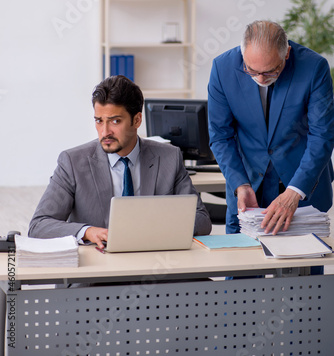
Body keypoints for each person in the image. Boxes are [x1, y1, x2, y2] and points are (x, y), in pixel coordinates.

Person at [29, 75, 212, 248]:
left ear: (137, 120)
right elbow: (39, 225)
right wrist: (87, 232)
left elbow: (202, 220)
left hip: (154, 264)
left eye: (115, 121)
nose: (105, 131)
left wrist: (154, 227)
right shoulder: (72, 162)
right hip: (96, 271)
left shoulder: (169, 158)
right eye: (99, 121)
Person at [208, 20, 334, 236]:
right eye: (251, 70)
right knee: (243, 267)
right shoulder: (222, 68)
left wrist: (295, 192)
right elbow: (220, 136)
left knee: (302, 267)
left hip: (301, 187)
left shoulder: (314, 68)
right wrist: (240, 185)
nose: (259, 78)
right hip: (247, 187)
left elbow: (322, 135)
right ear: (242, 52)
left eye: (270, 72)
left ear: (287, 54)